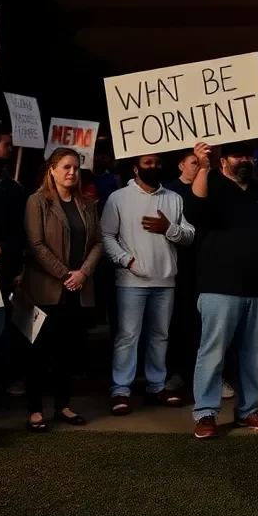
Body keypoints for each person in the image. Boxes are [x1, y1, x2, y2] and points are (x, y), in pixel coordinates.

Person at [185, 141, 258, 440]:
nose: (243, 160)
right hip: (220, 287)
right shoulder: (210, 182)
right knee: (213, 352)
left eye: (247, 155)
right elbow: (195, 212)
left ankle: (248, 410)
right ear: (222, 160)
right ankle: (205, 413)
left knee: (254, 354)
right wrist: (202, 168)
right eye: (236, 155)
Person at [101, 153, 195, 413]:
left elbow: (188, 235)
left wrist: (169, 228)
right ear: (135, 168)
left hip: (165, 280)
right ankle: (120, 390)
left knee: (160, 336)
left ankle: (156, 386)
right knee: (128, 337)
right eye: (148, 163)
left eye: (157, 163)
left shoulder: (173, 198)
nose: (154, 167)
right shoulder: (118, 198)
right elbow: (106, 235)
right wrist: (126, 261)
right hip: (131, 281)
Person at [20, 148, 104, 431]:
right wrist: (65, 274)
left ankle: (62, 405)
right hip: (46, 290)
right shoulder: (37, 202)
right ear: (52, 170)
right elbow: (36, 245)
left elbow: (98, 243)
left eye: (76, 168)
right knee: (39, 352)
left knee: (68, 352)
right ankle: (35, 410)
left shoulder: (87, 204)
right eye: (66, 167)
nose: (72, 172)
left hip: (77, 290)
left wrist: (83, 274)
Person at [164, 148, 202, 393]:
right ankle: (177, 372)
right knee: (178, 320)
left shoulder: (210, 188)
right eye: (193, 162)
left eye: (200, 163)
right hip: (178, 265)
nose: (197, 166)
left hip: (205, 263)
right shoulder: (169, 192)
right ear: (181, 165)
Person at [0, 126, 26, 399]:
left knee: (0, 331)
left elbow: (21, 235)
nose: (10, 149)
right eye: (6, 144)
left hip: (1, 274)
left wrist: (2, 248)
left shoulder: (14, 191)